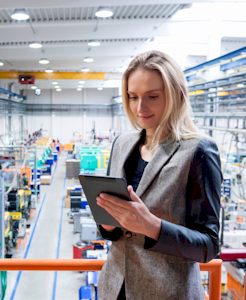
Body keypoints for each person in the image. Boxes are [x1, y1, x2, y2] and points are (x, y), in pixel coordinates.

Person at [96, 50, 222, 300]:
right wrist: (108, 223)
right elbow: (116, 233)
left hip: (168, 292)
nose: (139, 108)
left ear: (175, 94)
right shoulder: (122, 143)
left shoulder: (198, 151)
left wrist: (154, 227)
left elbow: (209, 246)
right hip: (114, 288)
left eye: (152, 96)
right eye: (133, 97)